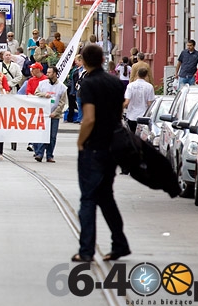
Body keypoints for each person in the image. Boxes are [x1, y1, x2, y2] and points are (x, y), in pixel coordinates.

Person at [73, 44, 130, 263]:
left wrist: (80, 142)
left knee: (88, 198)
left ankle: (86, 250)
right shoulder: (115, 82)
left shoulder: (88, 83)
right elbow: (120, 110)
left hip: (94, 147)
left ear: (85, 62)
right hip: (113, 146)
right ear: (102, 59)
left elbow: (89, 118)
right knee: (106, 197)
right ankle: (119, 243)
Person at [33, 66, 67, 163]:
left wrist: (55, 113)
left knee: (52, 136)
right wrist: (44, 95)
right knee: (43, 134)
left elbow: (62, 103)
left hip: (54, 115)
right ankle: (39, 153)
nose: (47, 74)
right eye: (47, 72)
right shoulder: (42, 84)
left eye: (50, 72)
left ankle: (49, 155)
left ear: (55, 74)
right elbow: (36, 93)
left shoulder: (62, 87)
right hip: (44, 114)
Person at [124, 67, 155, 132]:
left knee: (132, 137)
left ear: (137, 74)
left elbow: (127, 102)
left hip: (132, 116)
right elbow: (150, 103)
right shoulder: (149, 86)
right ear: (146, 75)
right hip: (144, 116)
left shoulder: (130, 86)